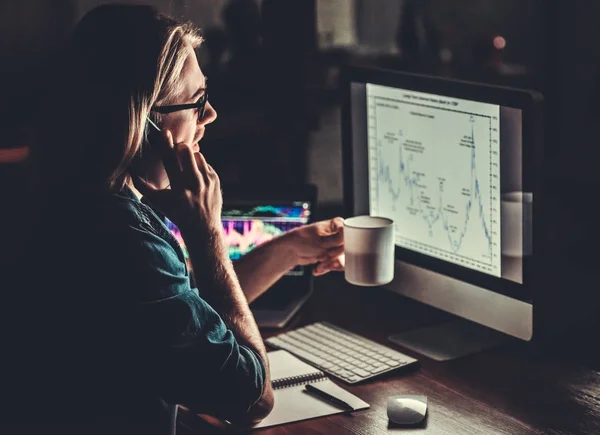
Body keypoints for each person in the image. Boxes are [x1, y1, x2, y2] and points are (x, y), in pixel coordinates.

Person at [2, 4, 344, 434]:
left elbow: (182, 314)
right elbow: (251, 398)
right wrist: (206, 234)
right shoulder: (123, 238)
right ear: (142, 120)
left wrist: (290, 248)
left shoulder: (63, 194)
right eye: (196, 101)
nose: (210, 115)